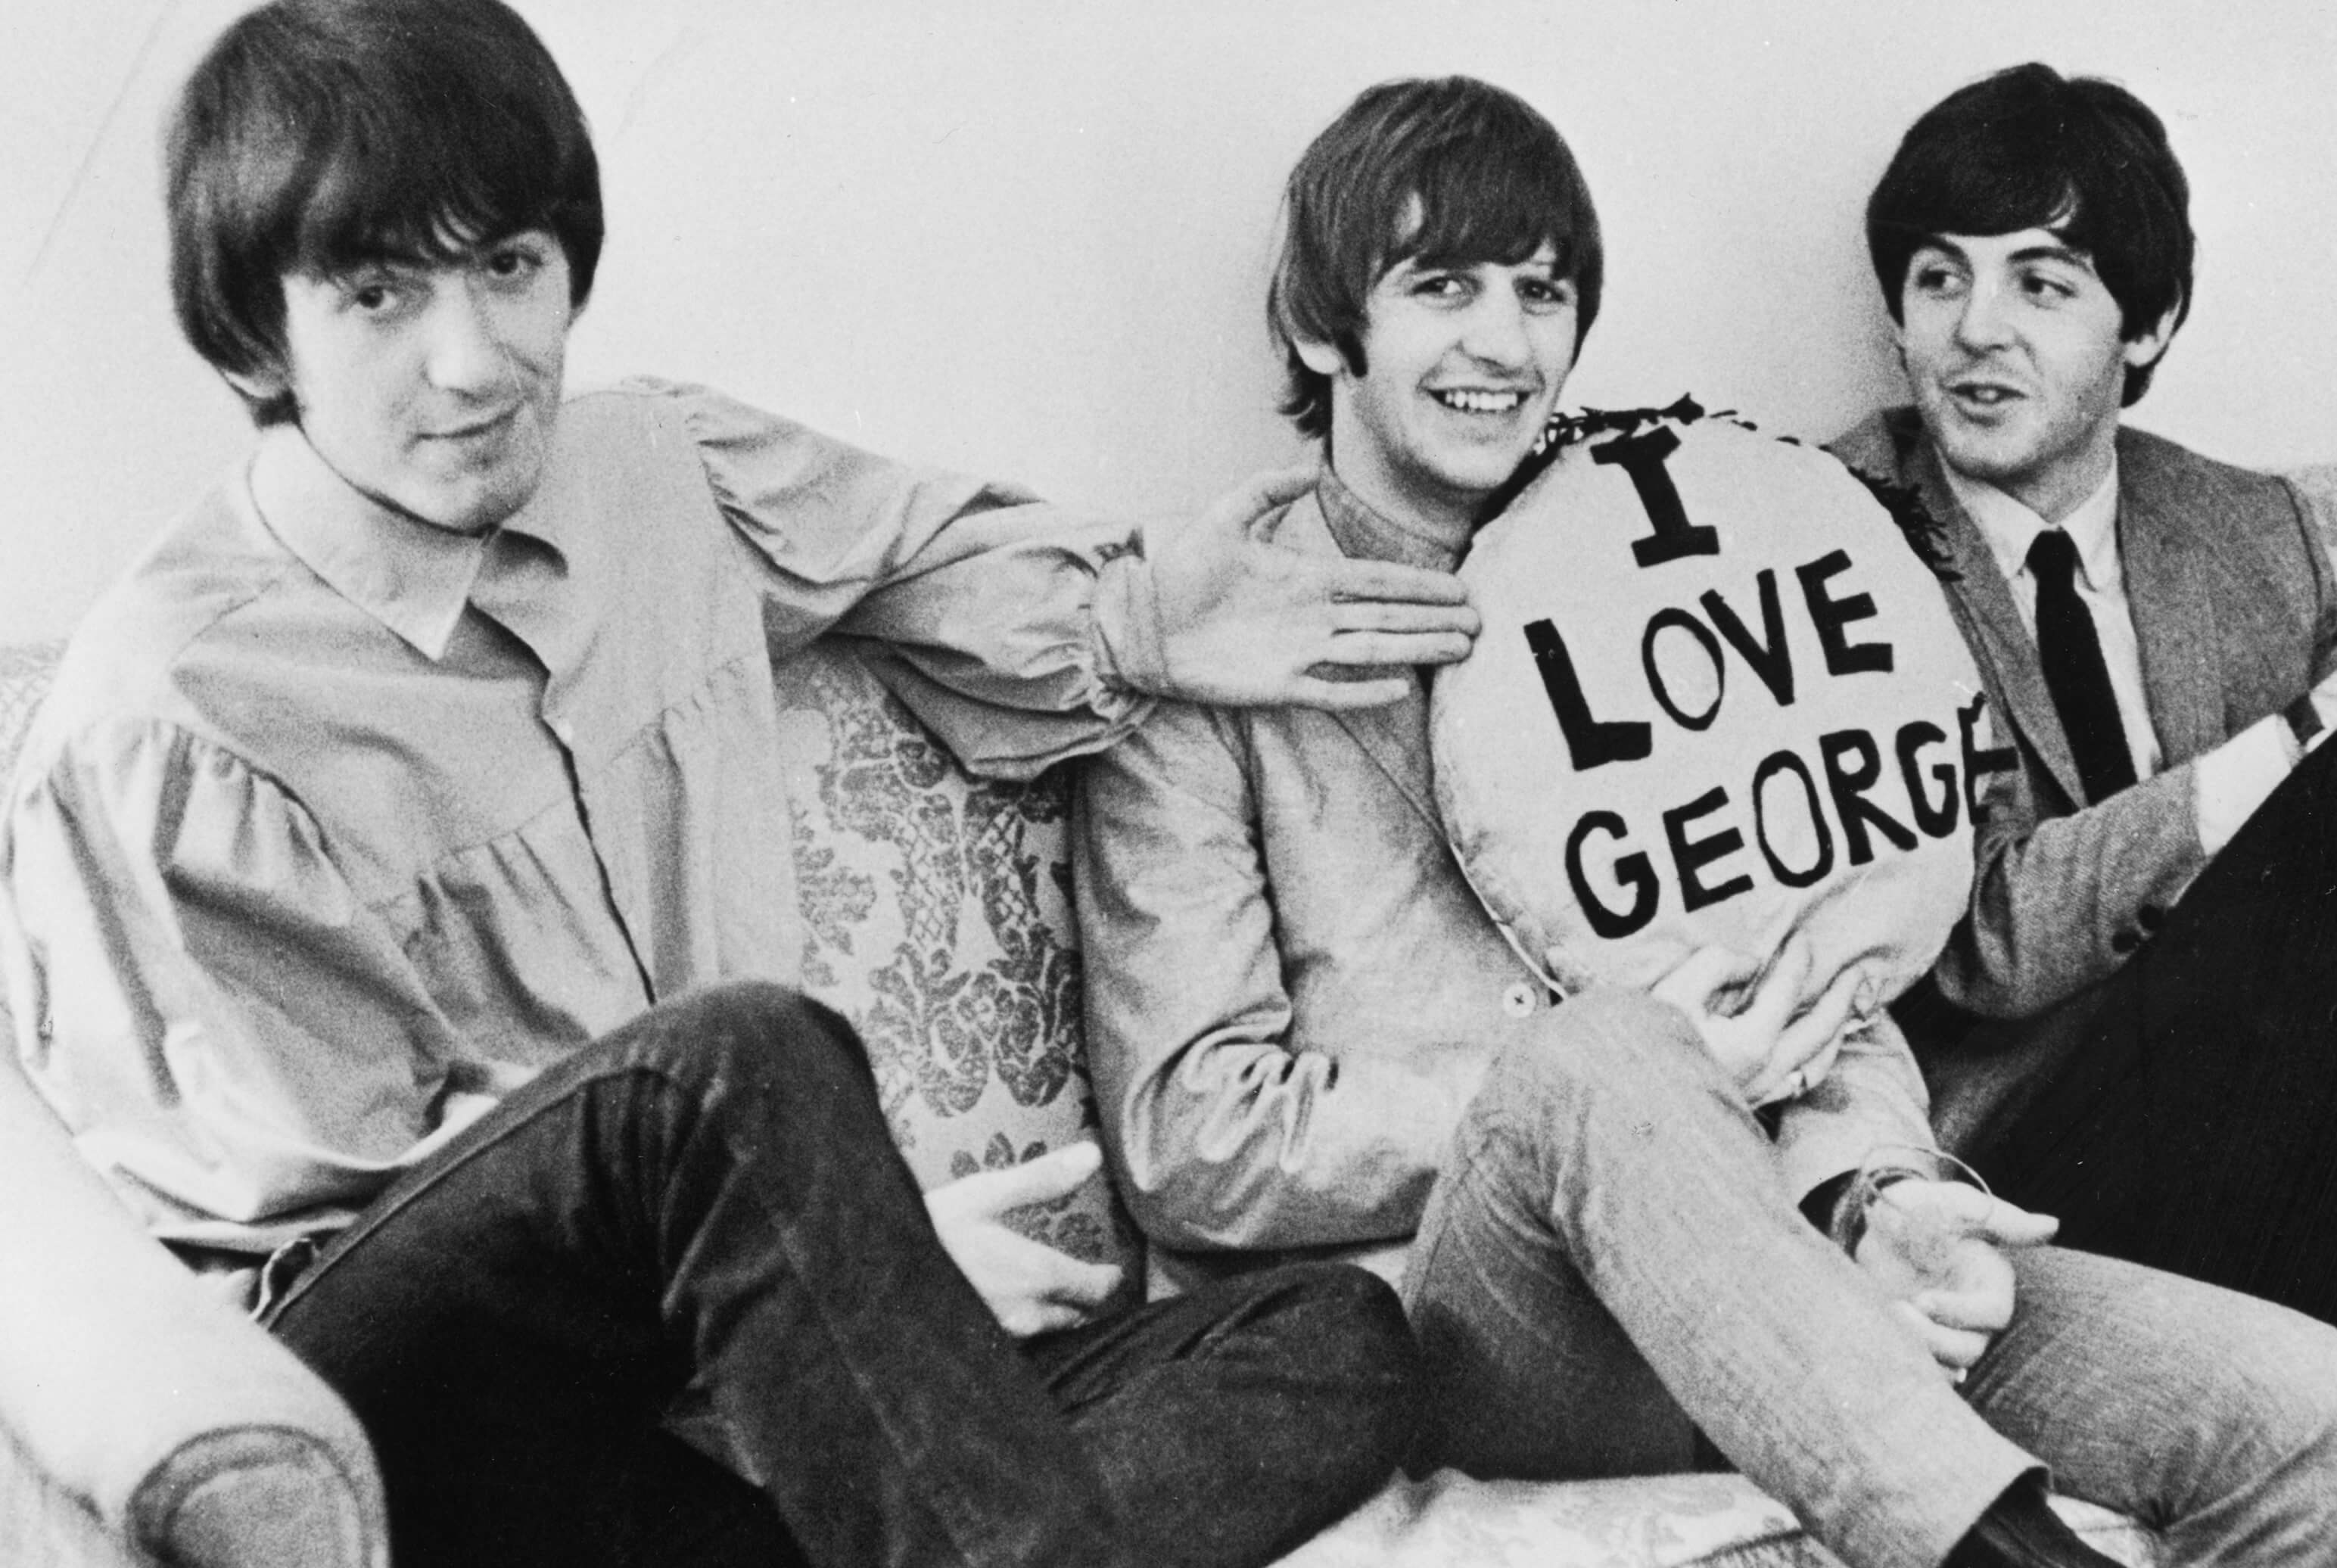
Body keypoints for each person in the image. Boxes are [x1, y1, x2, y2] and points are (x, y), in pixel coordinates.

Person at [0, 2, 1478, 1563]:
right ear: (255, 337)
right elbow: (316, 1258)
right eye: (377, 293)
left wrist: (1154, 616)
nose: (473, 360)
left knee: (1334, 1341)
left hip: (746, 1426)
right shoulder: (173, 717)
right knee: (721, 1067)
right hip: (459, 1439)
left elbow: (911, 554)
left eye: (508, 266)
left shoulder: (655, 473)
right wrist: (838, 1275)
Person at [1075, 73, 2337, 1568]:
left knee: (2302, 1421)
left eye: (1540, 293)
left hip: (1786, 1272)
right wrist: (1626, 1076)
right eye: (1441, 288)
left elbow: (1834, 958)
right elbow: (1188, 1134)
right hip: (1468, 1337)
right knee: (1602, 1055)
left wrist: (1879, 1188)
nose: (1502, 342)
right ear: (1316, 325)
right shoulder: (1207, 637)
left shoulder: (1656, 560)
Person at [1829, 63, 2337, 1323]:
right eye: (1940, 276)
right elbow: (1969, 949)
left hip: (2261, 1134)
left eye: (2041, 283)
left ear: (2148, 325)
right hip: (2015, 1158)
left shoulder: (2256, 529)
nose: (1974, 329)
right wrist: (2296, 746)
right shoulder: (1828, 539)